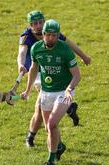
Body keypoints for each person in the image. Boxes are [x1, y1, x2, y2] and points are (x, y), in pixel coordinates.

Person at [14, 10, 91, 147]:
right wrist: (20, 65)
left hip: (53, 72)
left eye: (40, 22)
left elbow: (70, 44)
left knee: (40, 108)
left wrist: (84, 56)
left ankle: (38, 139)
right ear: (30, 25)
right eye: (35, 23)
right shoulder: (26, 36)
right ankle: (65, 112)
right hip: (38, 72)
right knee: (40, 108)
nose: (38, 25)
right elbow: (22, 52)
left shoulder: (52, 32)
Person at [21, 19, 81, 165]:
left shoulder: (65, 50)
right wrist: (28, 90)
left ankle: (51, 161)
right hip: (46, 92)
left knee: (52, 123)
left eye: (54, 35)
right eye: (48, 35)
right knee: (49, 129)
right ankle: (59, 148)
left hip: (64, 91)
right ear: (43, 34)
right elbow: (34, 70)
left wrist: (69, 89)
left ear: (58, 35)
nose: (51, 38)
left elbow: (77, 75)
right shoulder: (36, 48)